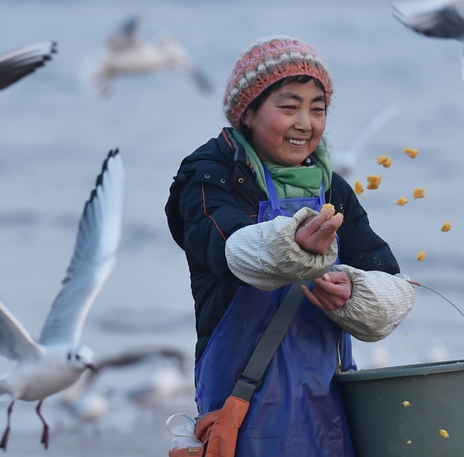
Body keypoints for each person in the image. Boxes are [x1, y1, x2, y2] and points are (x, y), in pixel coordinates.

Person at [165, 36, 415, 456]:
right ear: (247, 112)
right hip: (241, 409)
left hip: (331, 410)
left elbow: (391, 283)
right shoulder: (210, 176)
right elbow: (225, 245)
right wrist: (293, 247)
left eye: (317, 109)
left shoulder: (332, 188)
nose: (306, 122)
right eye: (289, 106)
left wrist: (356, 293)